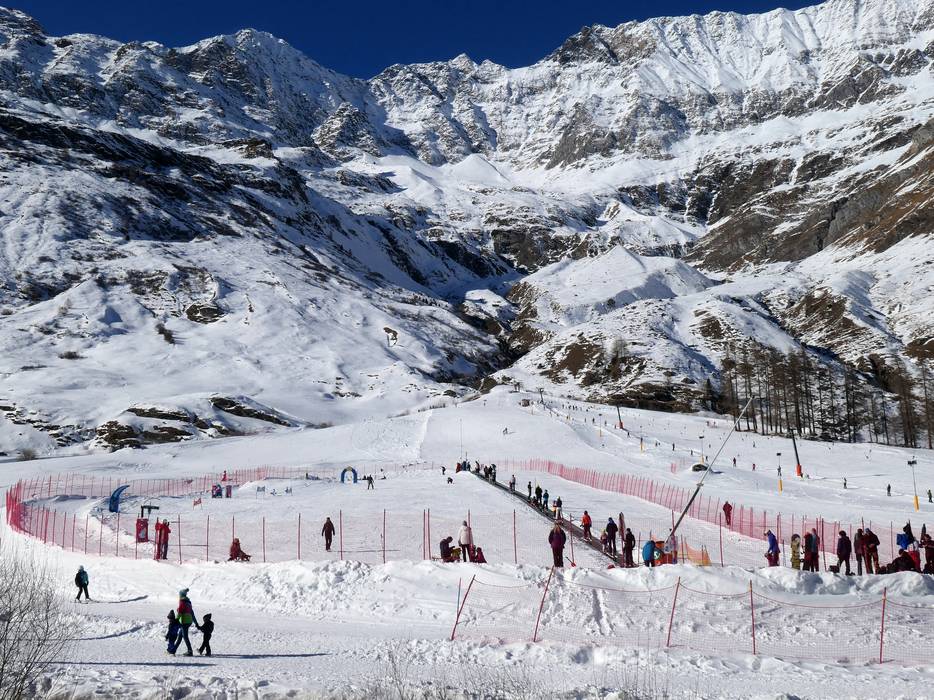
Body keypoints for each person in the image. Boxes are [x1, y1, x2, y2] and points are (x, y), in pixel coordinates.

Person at [173, 589, 198, 656]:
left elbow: (180, 612)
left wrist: (176, 620)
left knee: (185, 636)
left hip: (184, 622)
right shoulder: (188, 602)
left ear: (181, 595)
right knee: (180, 636)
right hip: (189, 621)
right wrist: (196, 622)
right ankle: (173, 650)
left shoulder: (182, 602)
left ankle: (190, 651)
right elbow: (192, 613)